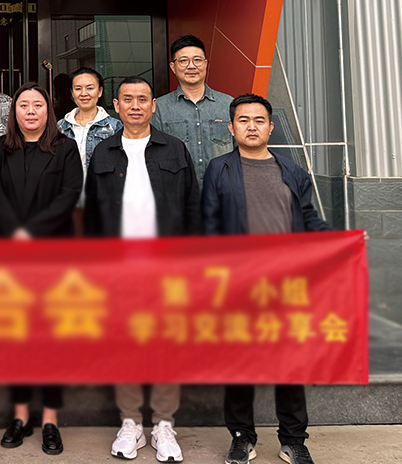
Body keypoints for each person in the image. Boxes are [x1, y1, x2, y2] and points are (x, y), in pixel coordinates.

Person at [202, 94, 331, 464]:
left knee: (289, 365)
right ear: (231, 128)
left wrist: (339, 240)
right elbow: (209, 226)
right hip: (239, 283)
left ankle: (294, 439)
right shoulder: (219, 169)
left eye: (259, 120)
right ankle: (241, 437)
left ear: (271, 127)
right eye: (244, 120)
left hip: (286, 284)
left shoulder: (292, 171)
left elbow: (309, 219)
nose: (252, 127)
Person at [84, 77, 200, 464]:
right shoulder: (103, 152)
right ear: (116, 105)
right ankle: (131, 422)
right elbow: (93, 216)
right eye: (128, 99)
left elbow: (192, 208)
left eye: (143, 99)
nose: (135, 105)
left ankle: (164, 424)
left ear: (153, 105)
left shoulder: (175, 149)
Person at [0, 83, 82, 456]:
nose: (30, 111)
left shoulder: (65, 148)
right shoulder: (0, 148)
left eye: (37, 105)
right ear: (14, 112)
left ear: (47, 110)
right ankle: (21, 416)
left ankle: (51, 420)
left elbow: (69, 194)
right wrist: (16, 234)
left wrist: (31, 232)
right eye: (23, 105)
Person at [152, 35, 234, 182]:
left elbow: (242, 152)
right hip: (179, 192)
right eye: (183, 60)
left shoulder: (229, 104)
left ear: (205, 64)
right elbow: (154, 156)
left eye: (197, 60)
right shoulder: (158, 108)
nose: (191, 66)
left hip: (222, 191)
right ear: (173, 67)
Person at [55, 66, 123, 217]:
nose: (84, 93)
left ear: (100, 91)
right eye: (78, 88)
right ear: (72, 93)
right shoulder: (59, 128)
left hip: (102, 208)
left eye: (90, 88)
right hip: (66, 209)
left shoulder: (115, 128)